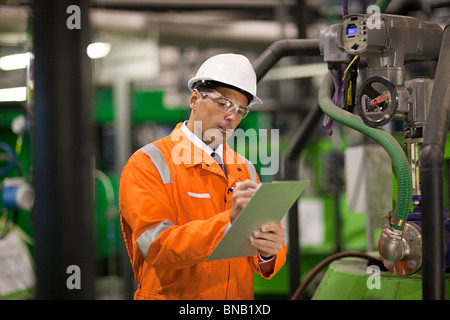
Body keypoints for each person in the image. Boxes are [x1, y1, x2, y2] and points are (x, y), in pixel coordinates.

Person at [119, 53, 287, 300]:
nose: (232, 117)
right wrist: (228, 225)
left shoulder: (245, 169)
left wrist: (269, 252)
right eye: (223, 104)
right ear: (195, 99)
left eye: (241, 110)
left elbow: (258, 250)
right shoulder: (149, 163)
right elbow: (157, 247)